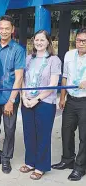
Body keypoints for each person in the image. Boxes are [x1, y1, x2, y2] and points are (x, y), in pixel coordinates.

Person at [0, 15, 25, 174]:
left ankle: (6, 159)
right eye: (1, 28)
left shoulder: (18, 49)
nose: (4, 31)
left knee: (9, 129)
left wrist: (11, 100)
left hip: (10, 96)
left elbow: (19, 76)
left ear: (12, 29)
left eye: (7, 28)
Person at [19, 30, 61, 180]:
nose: (39, 42)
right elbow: (22, 79)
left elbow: (53, 84)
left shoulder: (54, 60)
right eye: (36, 40)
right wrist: (24, 96)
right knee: (29, 133)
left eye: (42, 40)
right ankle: (30, 162)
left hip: (44, 102)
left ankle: (41, 166)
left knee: (42, 135)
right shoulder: (29, 58)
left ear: (48, 42)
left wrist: (37, 99)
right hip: (27, 101)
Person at [52, 28, 86, 181]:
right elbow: (65, 77)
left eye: (84, 41)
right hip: (71, 100)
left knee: (84, 136)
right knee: (66, 130)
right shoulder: (69, 55)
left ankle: (80, 167)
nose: (81, 43)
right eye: (79, 40)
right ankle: (67, 159)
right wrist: (62, 98)